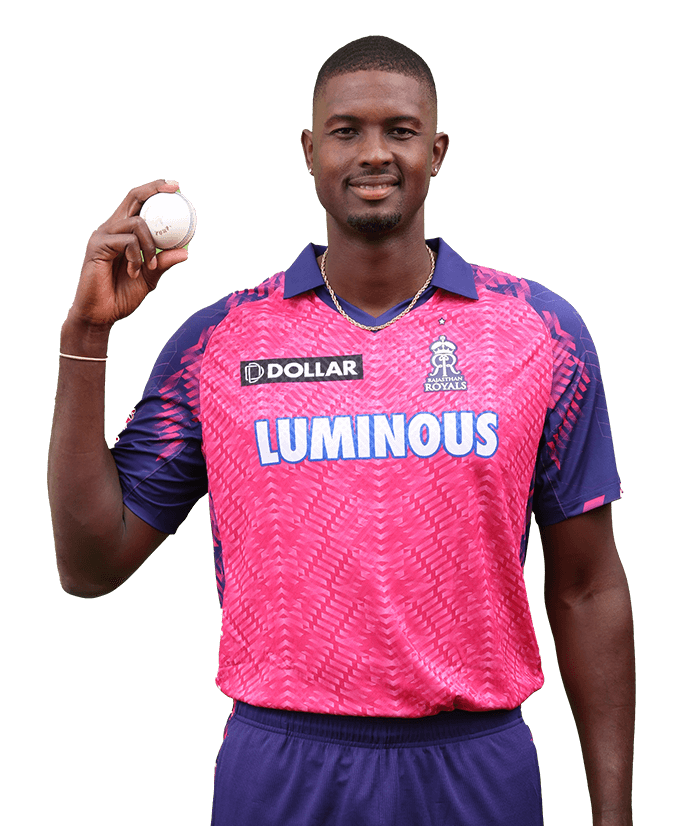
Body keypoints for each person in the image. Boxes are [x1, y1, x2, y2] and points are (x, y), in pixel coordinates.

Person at [48, 36, 634, 826]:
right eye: (346, 130)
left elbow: (588, 586)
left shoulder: (540, 333)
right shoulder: (221, 342)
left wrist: (613, 814)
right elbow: (90, 564)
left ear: (437, 151)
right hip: (282, 763)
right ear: (308, 150)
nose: (374, 153)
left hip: (474, 761)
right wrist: (87, 334)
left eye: (400, 130)